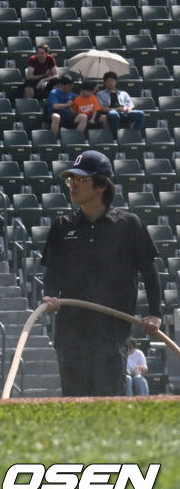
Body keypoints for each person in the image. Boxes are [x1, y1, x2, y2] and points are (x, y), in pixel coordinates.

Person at [41, 150, 163, 397]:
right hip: (71, 332)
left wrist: (155, 313)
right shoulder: (62, 227)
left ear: (100, 185)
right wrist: (50, 295)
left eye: (80, 179)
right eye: (70, 179)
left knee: (108, 403)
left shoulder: (129, 224)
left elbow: (149, 272)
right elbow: (52, 272)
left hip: (112, 332)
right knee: (74, 403)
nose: (72, 185)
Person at [96, 71, 144, 138]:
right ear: (105, 83)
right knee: (114, 114)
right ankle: (116, 137)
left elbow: (130, 105)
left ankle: (133, 134)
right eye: (108, 81)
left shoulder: (123, 93)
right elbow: (101, 108)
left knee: (140, 114)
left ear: (116, 82)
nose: (110, 83)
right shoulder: (100, 94)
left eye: (112, 80)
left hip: (123, 112)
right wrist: (116, 109)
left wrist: (127, 109)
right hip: (110, 113)